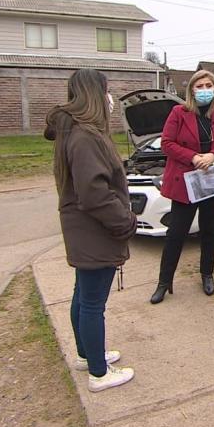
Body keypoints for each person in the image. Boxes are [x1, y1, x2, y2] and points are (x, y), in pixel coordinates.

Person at [44, 68, 137, 392]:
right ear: (95, 95)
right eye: (106, 90)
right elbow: (94, 193)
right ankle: (99, 373)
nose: (110, 98)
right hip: (93, 230)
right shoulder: (85, 136)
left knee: (83, 296)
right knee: (93, 303)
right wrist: (125, 222)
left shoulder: (75, 132)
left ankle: (88, 354)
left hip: (83, 229)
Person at [150, 70, 214, 304]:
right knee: (176, 233)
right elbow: (167, 143)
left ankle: (207, 274)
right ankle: (164, 282)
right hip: (185, 183)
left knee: (210, 231)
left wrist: (213, 155)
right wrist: (192, 157)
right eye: (199, 86)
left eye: (208, 85)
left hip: (212, 182)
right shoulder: (179, 113)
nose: (204, 90)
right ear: (192, 90)